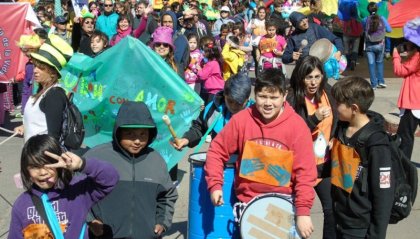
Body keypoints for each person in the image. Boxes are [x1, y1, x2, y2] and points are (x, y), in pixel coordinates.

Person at [204, 68, 317, 238]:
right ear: (254, 95)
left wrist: (303, 212)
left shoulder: (298, 127)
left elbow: (305, 174)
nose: (268, 103)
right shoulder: (241, 120)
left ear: (284, 96)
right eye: (263, 96)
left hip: (283, 206)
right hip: (248, 204)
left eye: (274, 97)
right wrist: (215, 185)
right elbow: (216, 151)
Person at [84, 101, 178, 238]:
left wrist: (162, 222)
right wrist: (90, 220)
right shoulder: (96, 156)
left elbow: (167, 195)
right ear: (118, 132)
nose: (137, 141)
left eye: (142, 134)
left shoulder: (156, 160)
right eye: (130, 134)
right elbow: (76, 191)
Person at [7, 134, 119, 238]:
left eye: (49, 165)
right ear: (26, 169)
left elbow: (110, 178)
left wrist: (82, 164)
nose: (42, 172)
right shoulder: (21, 204)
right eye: (35, 167)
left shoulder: (77, 190)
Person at [330, 76, 394, 239]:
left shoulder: (377, 143)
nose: (335, 107)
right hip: (340, 217)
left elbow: (383, 195)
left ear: (354, 108)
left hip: (359, 227)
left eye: (338, 104)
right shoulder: (343, 128)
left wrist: (376, 235)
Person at [287, 56, 337, 239]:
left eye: (317, 76)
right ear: (300, 77)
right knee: (293, 212)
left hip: (323, 164)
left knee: (332, 209)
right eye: (309, 77)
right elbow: (291, 133)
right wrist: (314, 118)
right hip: (299, 167)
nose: (314, 82)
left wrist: (335, 138)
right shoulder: (292, 99)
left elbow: (340, 120)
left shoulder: (328, 93)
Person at [14, 35, 73, 144]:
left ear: (52, 73)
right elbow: (41, 121)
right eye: (35, 66)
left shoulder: (54, 95)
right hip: (32, 154)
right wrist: (25, 126)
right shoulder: (42, 91)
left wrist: (40, 158)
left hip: (42, 158)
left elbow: (53, 137)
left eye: (41, 68)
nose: (35, 71)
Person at [171, 73, 253, 151]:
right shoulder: (214, 107)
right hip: (217, 160)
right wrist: (186, 139)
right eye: (230, 101)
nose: (234, 106)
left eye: (239, 103)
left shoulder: (255, 114)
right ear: (224, 94)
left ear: (247, 99)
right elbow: (199, 127)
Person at [393, 17, 420, 159]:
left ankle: (404, 167)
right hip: (416, 101)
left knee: (405, 136)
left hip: (414, 102)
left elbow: (401, 71)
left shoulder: (417, 56)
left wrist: (396, 55)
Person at [362, 2, 392, 89]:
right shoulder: (382, 18)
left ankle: (374, 84)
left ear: (368, 10)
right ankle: (381, 81)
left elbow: (362, 29)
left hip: (369, 45)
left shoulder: (365, 19)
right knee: (380, 63)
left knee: (371, 64)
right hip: (380, 44)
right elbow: (389, 30)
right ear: (377, 9)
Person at [160, 11, 190, 79]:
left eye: (170, 22)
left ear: (174, 22)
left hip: (175, 76)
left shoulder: (180, 39)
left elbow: (175, 59)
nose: (167, 24)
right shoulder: (158, 37)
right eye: (165, 22)